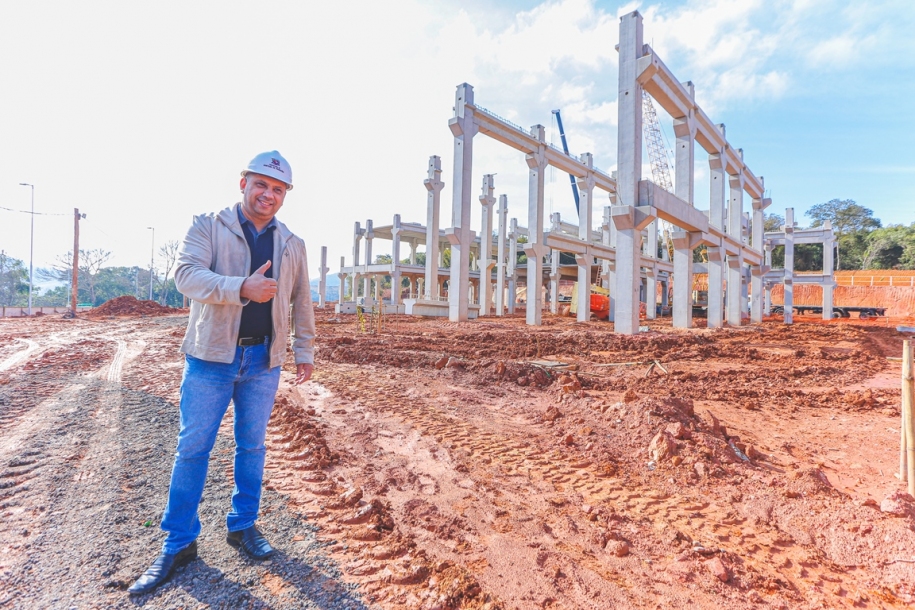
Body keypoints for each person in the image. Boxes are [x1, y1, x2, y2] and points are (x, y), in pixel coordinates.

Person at [129, 151, 315, 595]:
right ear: (243, 183)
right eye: (261, 184)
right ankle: (178, 543)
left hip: (263, 362)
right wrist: (240, 288)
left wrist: (304, 349)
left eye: (278, 189)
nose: (268, 194)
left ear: (285, 196)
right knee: (193, 449)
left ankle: (243, 526)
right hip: (210, 358)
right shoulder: (209, 227)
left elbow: (302, 299)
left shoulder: (291, 243)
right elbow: (186, 276)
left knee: (252, 446)